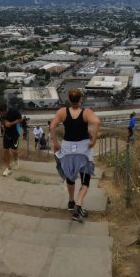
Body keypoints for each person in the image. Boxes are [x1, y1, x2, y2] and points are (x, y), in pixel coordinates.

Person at [49, 88, 101, 221]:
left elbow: (52, 127)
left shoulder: (62, 111)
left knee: (70, 177)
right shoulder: (86, 112)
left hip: (67, 149)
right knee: (85, 181)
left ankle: (71, 201)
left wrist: (55, 143)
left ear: (68, 98)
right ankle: (78, 205)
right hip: (83, 150)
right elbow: (97, 122)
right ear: (80, 99)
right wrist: (93, 139)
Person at [0, 104, 23, 176]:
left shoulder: (14, 111)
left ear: (7, 110)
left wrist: (11, 123)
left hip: (15, 133)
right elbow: (1, 121)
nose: (2, 114)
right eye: (1, 113)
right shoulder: (0, 113)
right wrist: (3, 124)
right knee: (5, 150)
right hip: (6, 133)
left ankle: (16, 159)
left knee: (14, 150)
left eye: (3, 113)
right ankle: (8, 167)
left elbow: (20, 119)